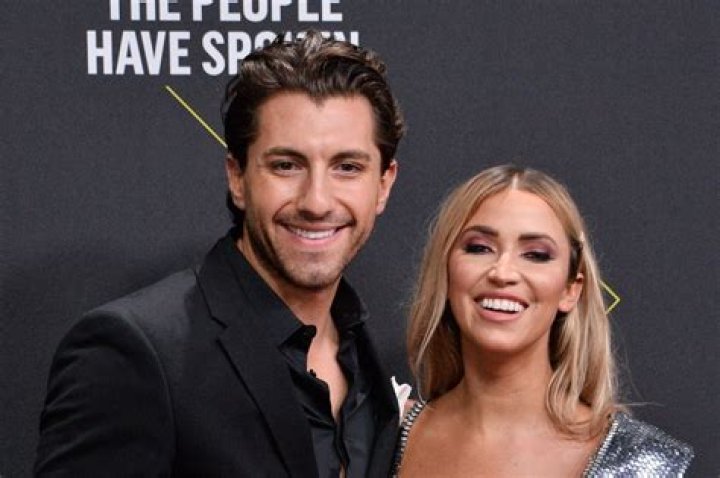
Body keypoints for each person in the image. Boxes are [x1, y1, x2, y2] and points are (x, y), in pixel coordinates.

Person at [35, 30, 404, 477]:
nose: (316, 201)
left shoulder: (369, 362)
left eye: (347, 167)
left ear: (383, 184)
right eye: (286, 165)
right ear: (237, 177)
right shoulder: (135, 352)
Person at [392, 165, 693, 477]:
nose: (502, 272)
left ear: (571, 289)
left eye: (536, 254)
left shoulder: (644, 462)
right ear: (446, 272)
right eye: (479, 248)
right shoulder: (385, 438)